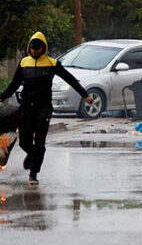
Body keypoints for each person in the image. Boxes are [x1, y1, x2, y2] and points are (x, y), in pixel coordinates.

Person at [0, 32, 92, 185]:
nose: (35, 51)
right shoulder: (24, 63)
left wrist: (85, 95)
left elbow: (70, 79)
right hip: (26, 107)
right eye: (33, 49)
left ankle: (33, 173)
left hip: (44, 108)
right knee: (24, 141)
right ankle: (31, 155)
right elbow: (14, 84)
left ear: (43, 48)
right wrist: (2, 97)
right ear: (30, 48)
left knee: (40, 142)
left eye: (38, 49)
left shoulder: (52, 64)